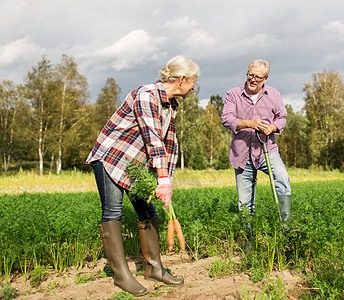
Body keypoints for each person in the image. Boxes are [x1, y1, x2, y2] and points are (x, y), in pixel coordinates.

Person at [86, 55, 200, 296]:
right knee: (113, 211)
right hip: (112, 158)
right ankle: (121, 276)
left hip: (136, 165)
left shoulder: (170, 104)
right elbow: (152, 138)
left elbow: (169, 144)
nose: (194, 87)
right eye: (193, 82)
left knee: (148, 211)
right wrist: (163, 178)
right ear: (182, 79)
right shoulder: (146, 95)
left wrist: (165, 181)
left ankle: (154, 268)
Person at [221, 59, 291, 231]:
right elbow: (226, 119)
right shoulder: (233, 94)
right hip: (242, 153)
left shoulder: (274, 95)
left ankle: (286, 228)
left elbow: (282, 118)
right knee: (244, 202)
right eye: (250, 75)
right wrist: (250, 124)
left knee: (282, 178)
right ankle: (249, 239)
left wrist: (272, 127)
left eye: (257, 77)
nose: (252, 80)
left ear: (265, 78)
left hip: (267, 150)